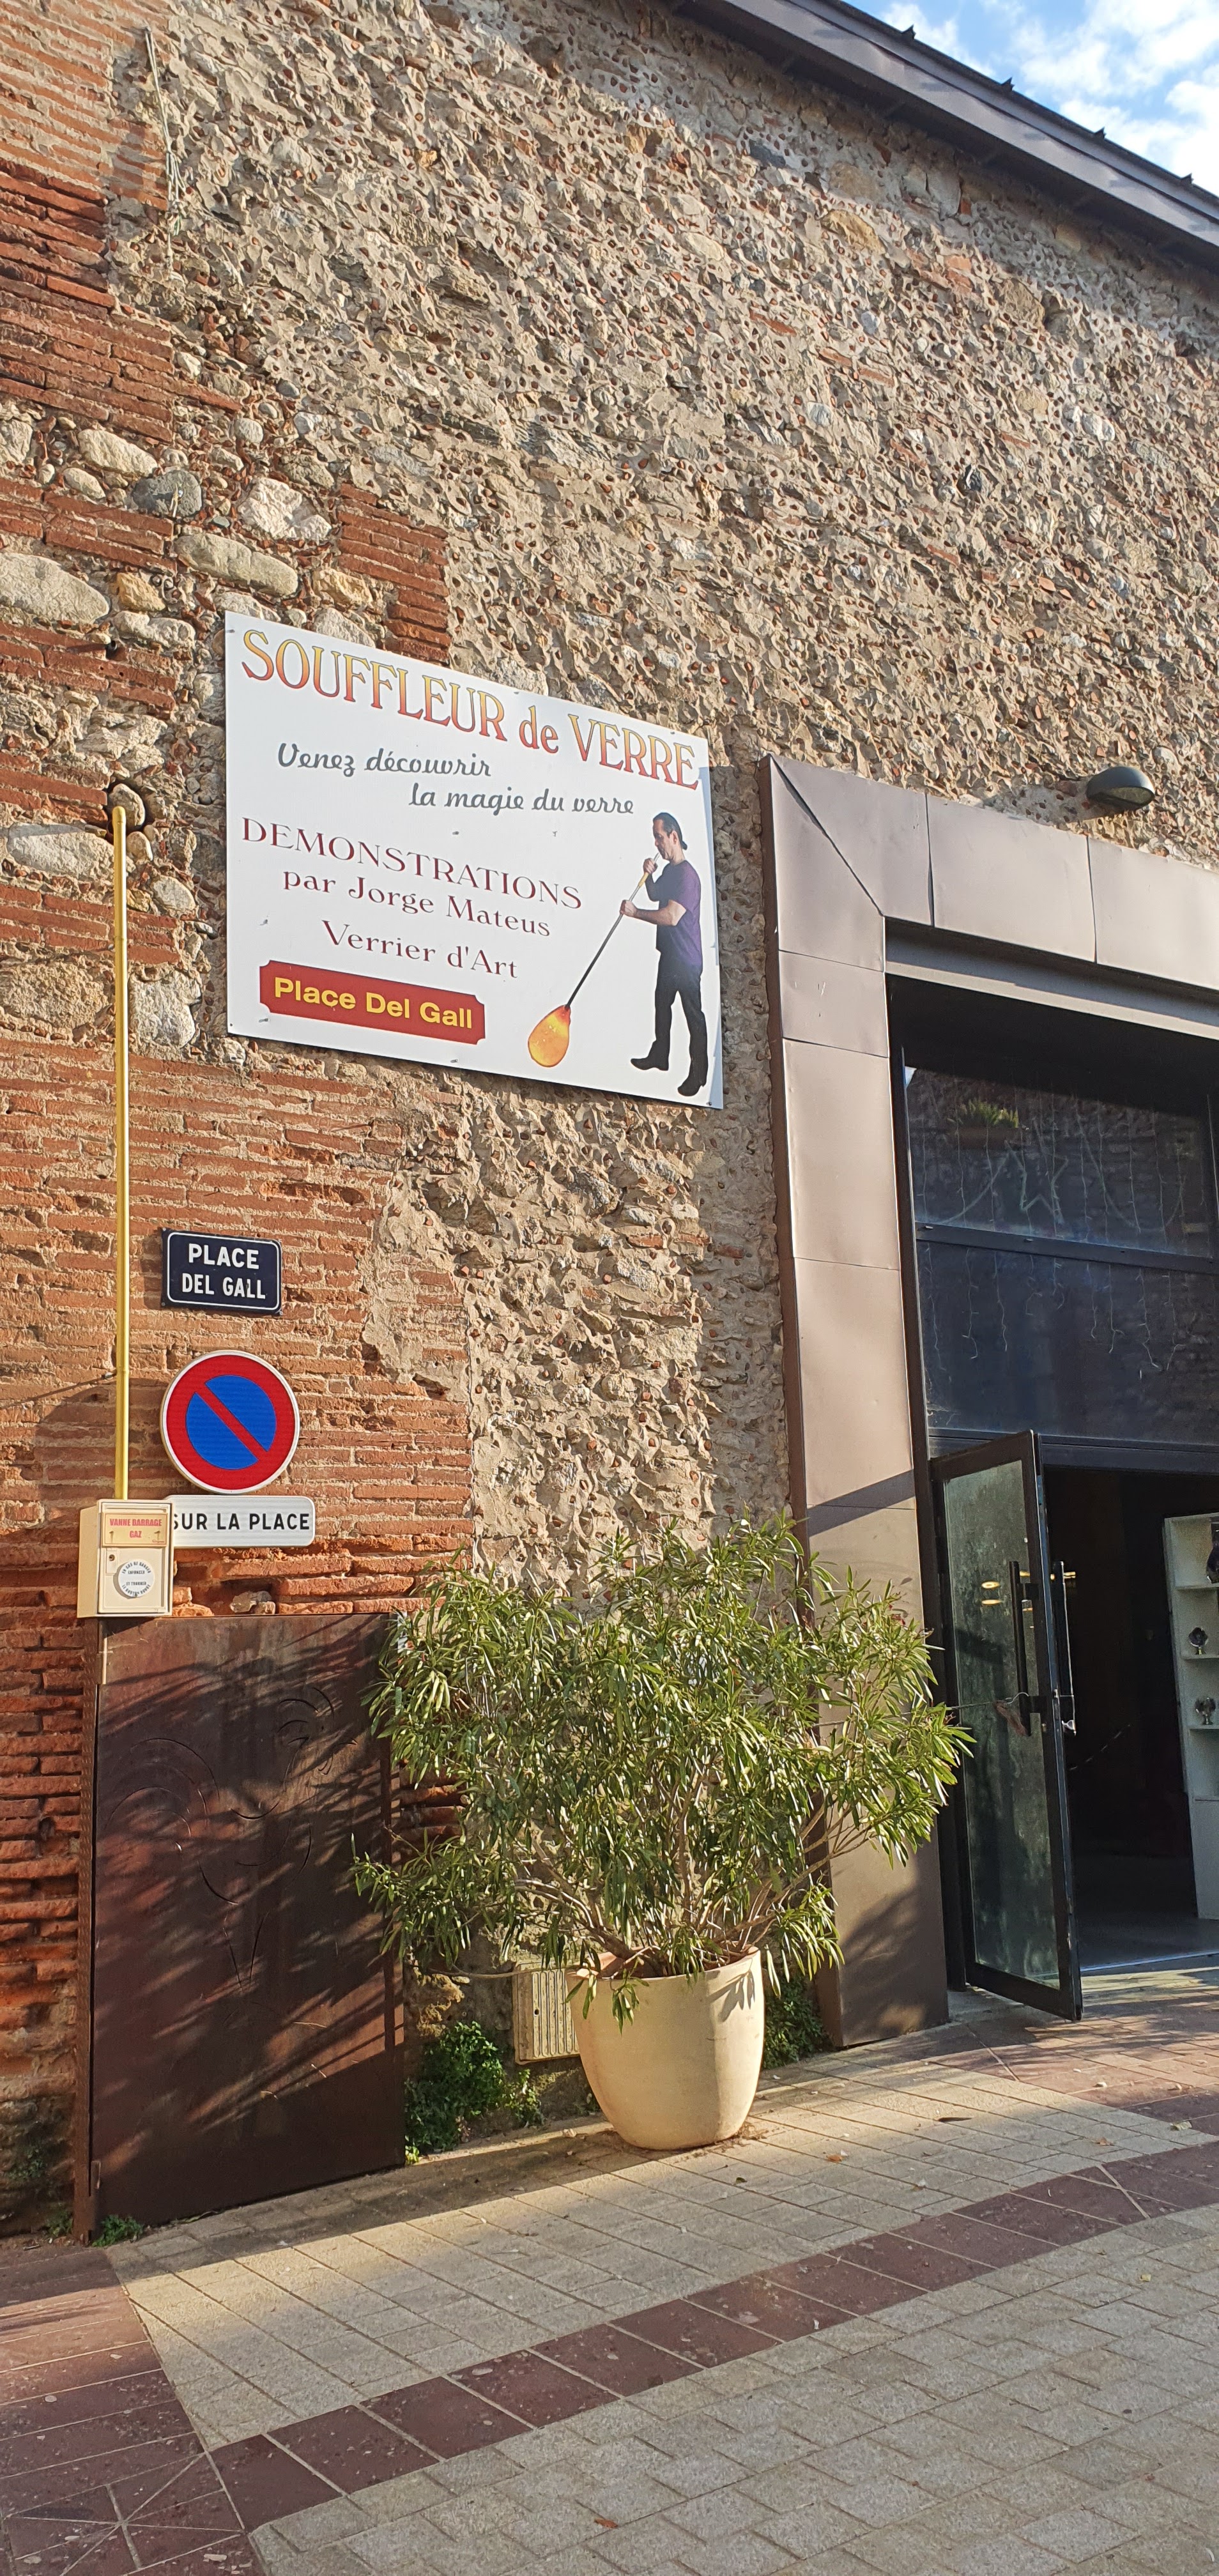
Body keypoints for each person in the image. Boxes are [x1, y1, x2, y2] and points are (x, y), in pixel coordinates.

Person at [620, 812, 708, 1096]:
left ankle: (699, 1074)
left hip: (687, 960)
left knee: (693, 1016)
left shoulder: (687, 876)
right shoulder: (671, 871)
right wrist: (648, 876)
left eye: (659, 838)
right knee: (662, 1004)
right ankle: (660, 1056)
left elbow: (671, 917)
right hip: (671, 955)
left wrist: (635, 914)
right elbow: (656, 894)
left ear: (674, 836)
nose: (657, 844)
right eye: (655, 839)